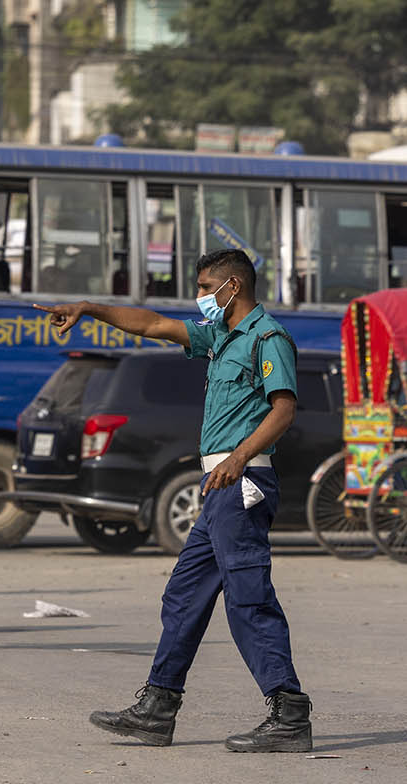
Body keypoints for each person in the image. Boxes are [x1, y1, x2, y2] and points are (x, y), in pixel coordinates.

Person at [36, 249, 313, 753]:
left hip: (243, 480)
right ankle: (157, 708)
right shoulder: (222, 336)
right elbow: (153, 324)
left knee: (248, 598)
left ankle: (289, 711)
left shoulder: (266, 338)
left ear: (234, 285)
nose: (201, 295)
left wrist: (240, 456)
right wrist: (88, 308)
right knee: (184, 595)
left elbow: (283, 409)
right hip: (218, 486)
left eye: (207, 286)